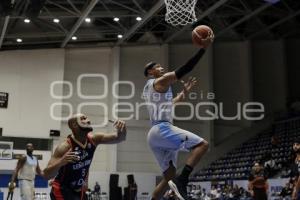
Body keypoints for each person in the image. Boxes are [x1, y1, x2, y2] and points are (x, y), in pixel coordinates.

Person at [143, 34, 213, 200]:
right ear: (150, 72)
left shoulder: (152, 89)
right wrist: (203, 48)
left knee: (168, 177)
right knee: (202, 145)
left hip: (154, 135)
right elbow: (185, 68)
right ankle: (183, 181)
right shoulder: (160, 81)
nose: (161, 67)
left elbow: (170, 104)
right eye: (157, 66)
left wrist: (184, 93)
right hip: (162, 129)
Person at [43, 114, 127, 200]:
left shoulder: (94, 139)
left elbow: (119, 138)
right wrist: (61, 162)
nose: (88, 120)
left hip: (80, 191)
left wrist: (122, 129)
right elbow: (46, 175)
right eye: (83, 119)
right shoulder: (64, 147)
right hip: (62, 190)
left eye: (87, 118)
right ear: (74, 125)